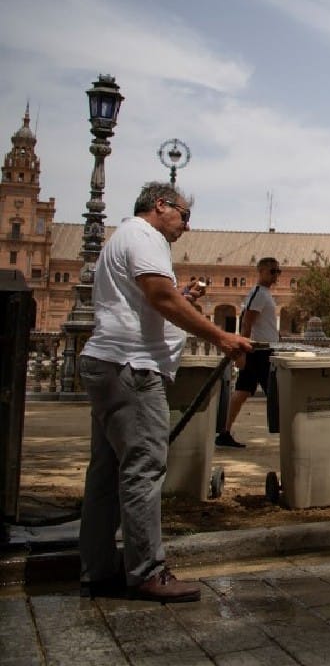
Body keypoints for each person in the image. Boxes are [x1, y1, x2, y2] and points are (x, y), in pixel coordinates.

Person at [79, 183, 253, 603]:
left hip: (108, 365)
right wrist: (221, 337)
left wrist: (183, 296)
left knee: (106, 473)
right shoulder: (145, 237)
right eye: (184, 216)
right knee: (143, 469)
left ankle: (98, 569)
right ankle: (147, 572)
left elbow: (151, 297)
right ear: (161, 206)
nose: (186, 227)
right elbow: (159, 296)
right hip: (133, 369)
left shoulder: (123, 237)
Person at [219, 257, 281, 447]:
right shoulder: (259, 294)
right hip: (259, 351)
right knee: (277, 392)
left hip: (261, 349)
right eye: (272, 271)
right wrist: (242, 352)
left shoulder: (263, 294)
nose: (275, 276)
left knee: (242, 391)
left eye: (277, 272)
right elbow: (246, 322)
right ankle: (288, 433)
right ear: (261, 271)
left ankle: (224, 432)